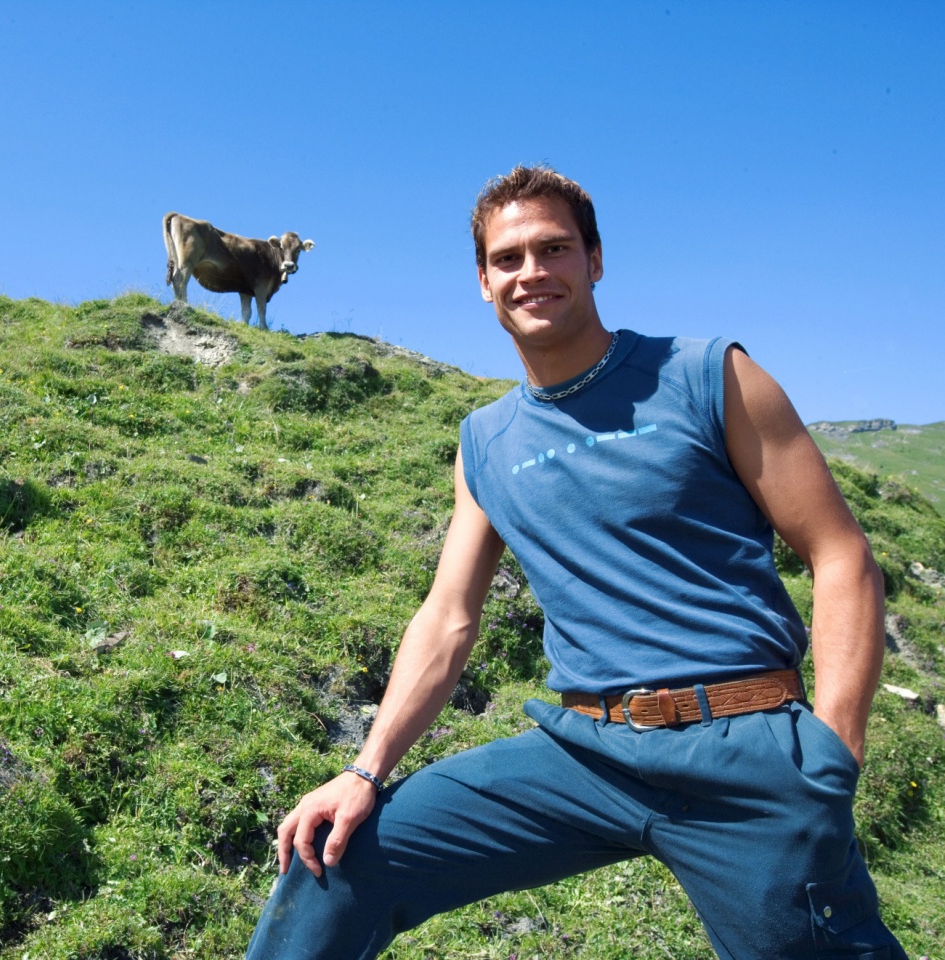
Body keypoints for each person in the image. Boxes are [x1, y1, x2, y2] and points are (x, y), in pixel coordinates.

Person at [245, 165, 908, 959]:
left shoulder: (708, 375)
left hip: (745, 746)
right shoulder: (484, 443)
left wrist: (834, 753)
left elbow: (840, 554)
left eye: (553, 248)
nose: (531, 271)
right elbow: (449, 616)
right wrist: (364, 771)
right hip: (587, 751)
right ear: (484, 283)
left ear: (594, 260)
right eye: (508, 258)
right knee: (337, 860)